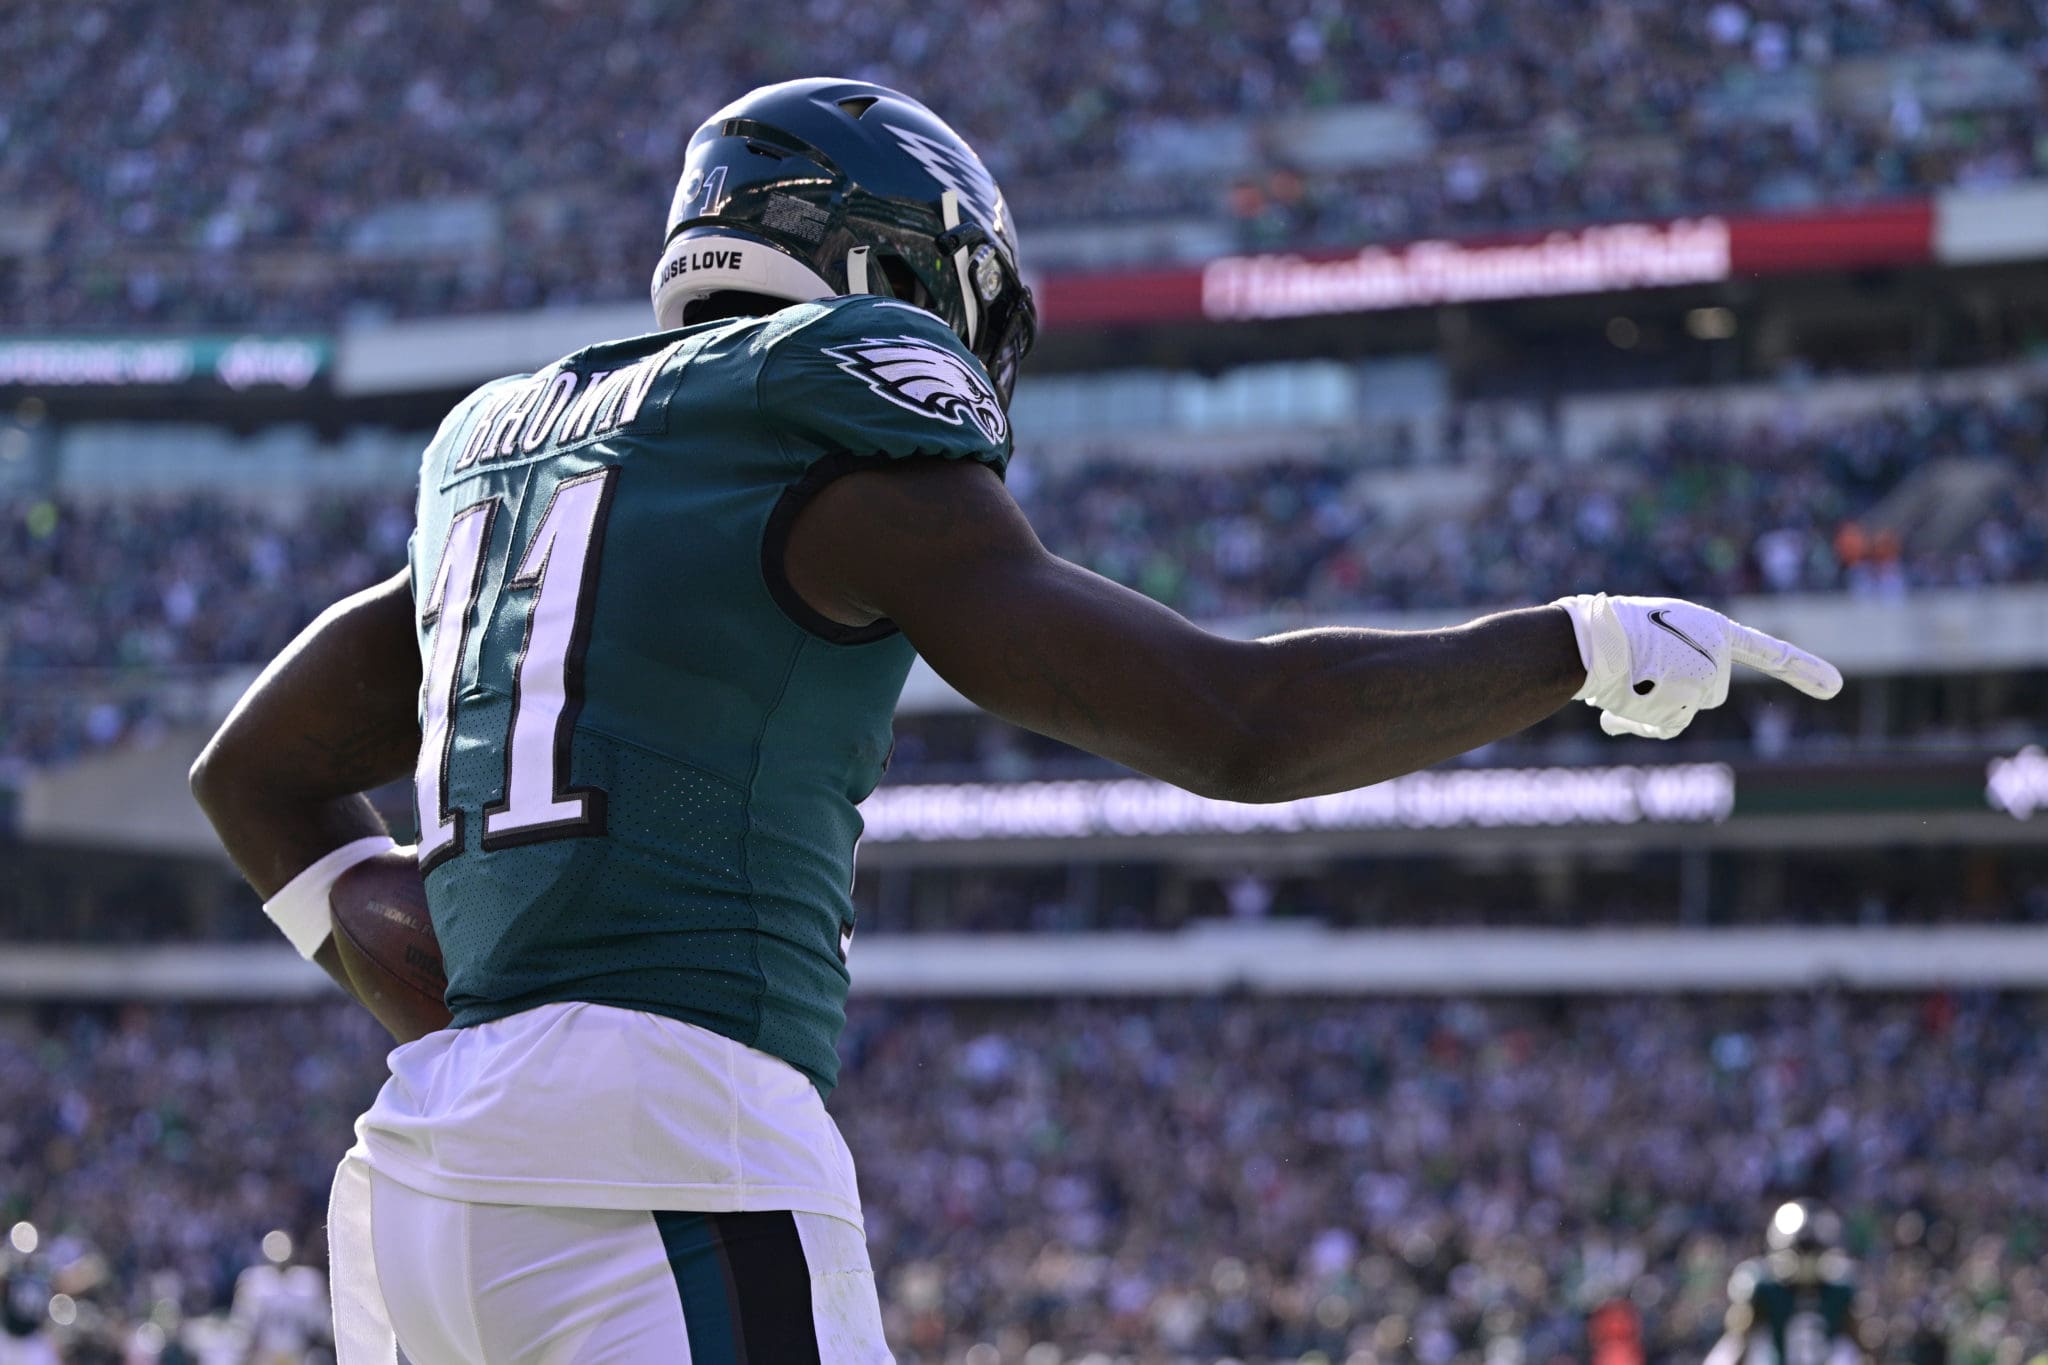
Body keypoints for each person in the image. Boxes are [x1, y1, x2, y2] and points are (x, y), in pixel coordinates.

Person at [189, 77, 1843, 1364]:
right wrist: (1570, 643)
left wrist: (413, 978)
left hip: (420, 1177)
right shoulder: (820, 426)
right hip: (672, 1151)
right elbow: (1236, 722)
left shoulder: (514, 458)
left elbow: (252, 772)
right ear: (891, 268)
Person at [1705, 1201, 1866, 1365]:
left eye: (1812, 1252)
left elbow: (1863, 1348)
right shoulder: (1765, 1288)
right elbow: (1738, 1343)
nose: (1806, 1261)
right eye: (1800, 1251)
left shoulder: (1840, 1291)